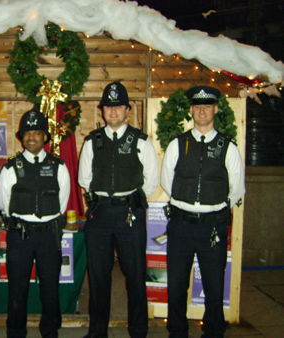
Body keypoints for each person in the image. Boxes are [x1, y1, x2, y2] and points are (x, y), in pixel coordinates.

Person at [161, 86, 245, 338]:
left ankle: (213, 331)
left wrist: (212, 207)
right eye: (197, 107)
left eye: (207, 106)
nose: (201, 111)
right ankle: (177, 331)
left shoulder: (227, 147)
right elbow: (167, 182)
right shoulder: (178, 144)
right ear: (191, 110)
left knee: (213, 284)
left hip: (212, 227)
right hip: (180, 225)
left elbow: (237, 189)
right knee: (176, 283)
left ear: (215, 109)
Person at [78, 81, 159, 338]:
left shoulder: (140, 141)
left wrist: (129, 200)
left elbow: (152, 180)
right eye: (108, 107)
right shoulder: (92, 142)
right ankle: (97, 331)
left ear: (127, 109)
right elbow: (84, 179)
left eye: (118, 106)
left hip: (129, 213)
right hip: (100, 213)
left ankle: (138, 330)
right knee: (99, 275)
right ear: (102, 111)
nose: (113, 111)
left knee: (135, 274)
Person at [0, 108, 71, 338]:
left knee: (50, 289)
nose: (32, 137)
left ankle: (50, 332)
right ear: (21, 137)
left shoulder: (59, 167)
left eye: (37, 132)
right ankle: (16, 333)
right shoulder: (10, 168)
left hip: (49, 236)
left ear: (45, 137)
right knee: (17, 290)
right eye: (27, 133)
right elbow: (4, 204)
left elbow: (62, 202)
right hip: (20, 236)